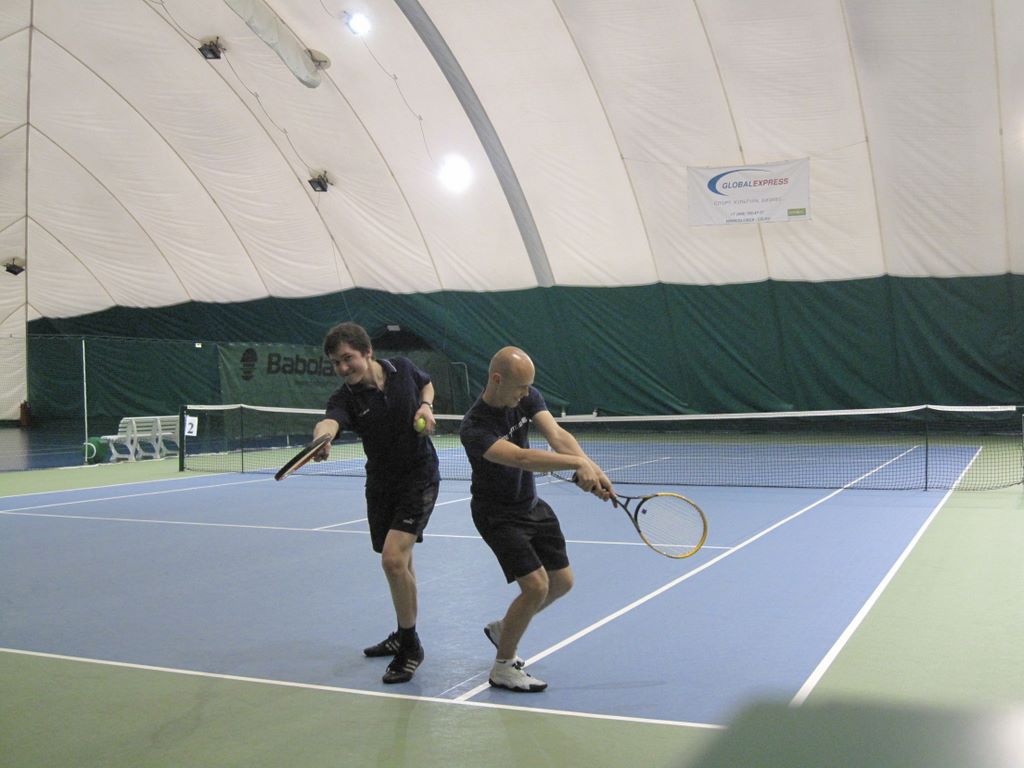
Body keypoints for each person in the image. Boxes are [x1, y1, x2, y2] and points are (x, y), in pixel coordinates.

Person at [459, 346, 615, 692]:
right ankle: (503, 667)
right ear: (497, 380)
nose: (526, 394)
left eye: (529, 387)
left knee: (563, 582)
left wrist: (593, 468)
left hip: (530, 504)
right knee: (536, 586)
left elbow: (557, 436)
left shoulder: (525, 395)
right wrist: (577, 465)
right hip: (497, 515)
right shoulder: (474, 428)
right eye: (520, 387)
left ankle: (505, 628)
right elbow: (523, 458)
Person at [312, 322, 439, 684]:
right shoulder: (346, 399)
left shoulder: (402, 368)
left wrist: (426, 406)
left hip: (419, 476)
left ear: (367, 352)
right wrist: (322, 439)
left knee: (393, 560)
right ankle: (403, 630)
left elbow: (426, 383)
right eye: (336, 363)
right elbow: (329, 422)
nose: (342, 368)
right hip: (382, 485)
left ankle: (410, 646)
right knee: (403, 562)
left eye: (347, 358)